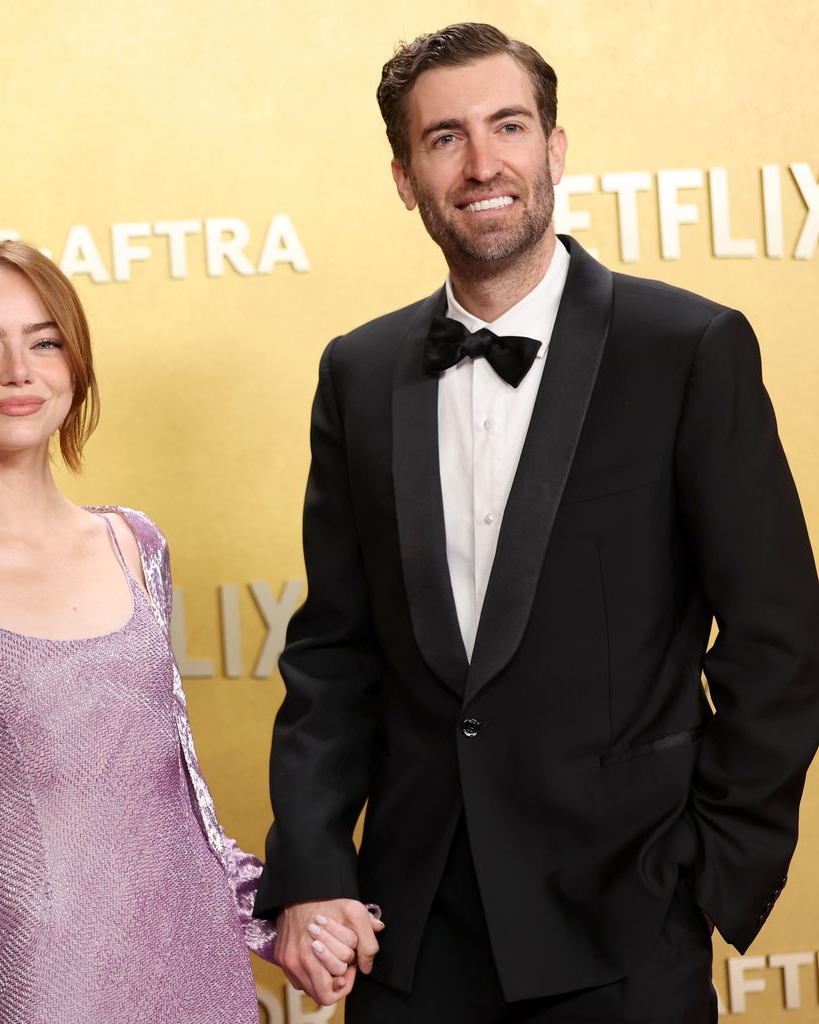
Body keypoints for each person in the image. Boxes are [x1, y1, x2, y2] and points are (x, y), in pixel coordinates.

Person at [254, 22, 819, 1023]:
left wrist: (706, 866)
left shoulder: (685, 347)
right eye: (443, 139)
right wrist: (311, 867)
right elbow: (332, 652)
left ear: (553, 148)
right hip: (414, 926)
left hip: (622, 916)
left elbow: (779, 638)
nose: (482, 164)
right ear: (403, 176)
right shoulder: (359, 371)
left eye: (507, 126)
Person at [0, 240, 363, 1024]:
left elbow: (173, 813)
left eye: (45, 342)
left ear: (75, 369)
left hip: (201, 981)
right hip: (45, 994)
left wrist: (283, 919)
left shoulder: (134, 545)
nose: (18, 372)